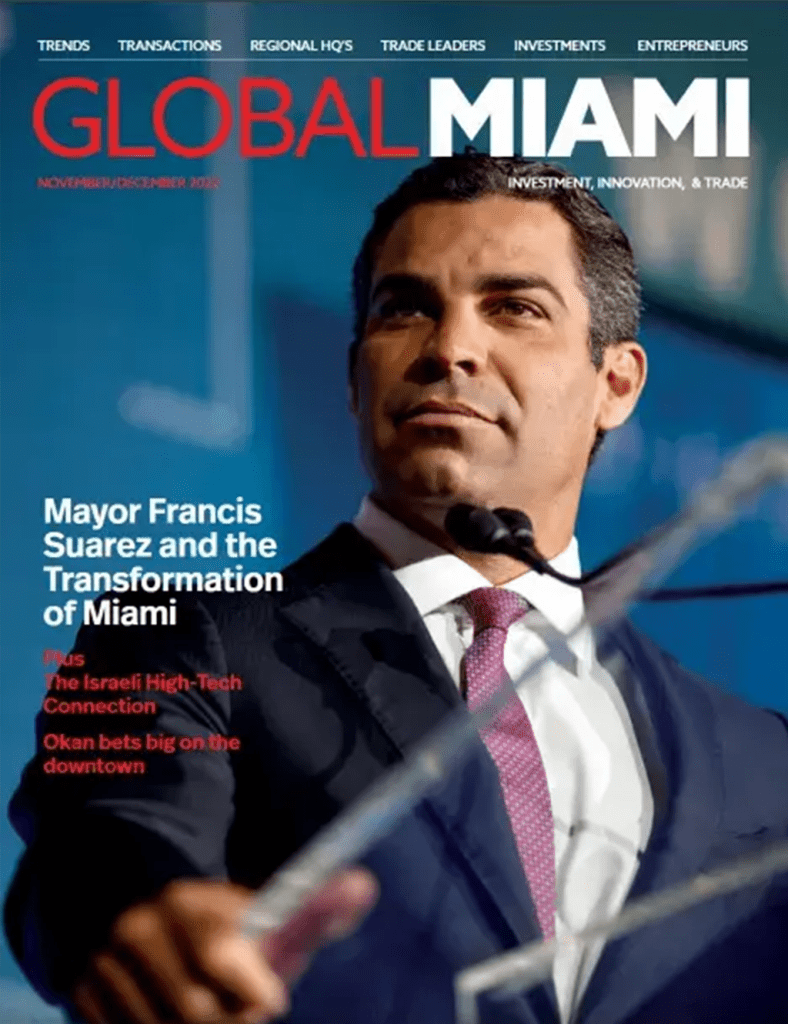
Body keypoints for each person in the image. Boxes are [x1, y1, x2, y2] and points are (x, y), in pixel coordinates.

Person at [6, 154, 788, 1024]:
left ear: (616, 383)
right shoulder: (172, 633)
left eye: (514, 308)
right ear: (354, 378)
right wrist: (140, 914)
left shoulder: (762, 755)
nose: (450, 349)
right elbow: (101, 841)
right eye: (405, 308)